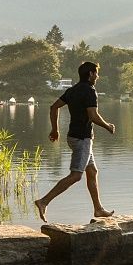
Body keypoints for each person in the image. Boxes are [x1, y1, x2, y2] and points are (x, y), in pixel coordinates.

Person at [34, 61, 116, 221]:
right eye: (96, 73)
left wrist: (55, 129)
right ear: (91, 74)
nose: (98, 76)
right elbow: (93, 115)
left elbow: (53, 107)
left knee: (92, 171)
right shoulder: (90, 91)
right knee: (76, 175)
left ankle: (98, 209)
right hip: (82, 139)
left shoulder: (72, 90)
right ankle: (43, 201)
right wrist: (108, 126)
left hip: (73, 137)